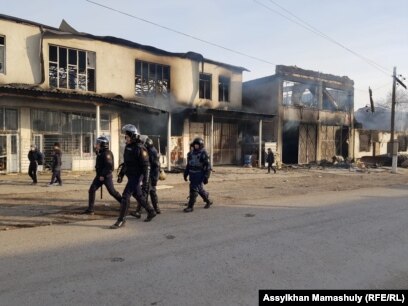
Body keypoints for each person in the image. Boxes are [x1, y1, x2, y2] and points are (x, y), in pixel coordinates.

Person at [112, 124, 156, 229]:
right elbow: (126, 163)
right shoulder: (128, 147)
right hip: (130, 176)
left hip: (137, 176)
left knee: (125, 196)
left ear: (132, 136)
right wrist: (121, 174)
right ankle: (151, 211)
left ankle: (121, 220)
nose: (125, 138)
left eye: (126, 136)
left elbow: (147, 167)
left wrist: (145, 182)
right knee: (138, 195)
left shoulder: (141, 149)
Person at [83, 136, 122, 215]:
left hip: (106, 176)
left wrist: (103, 175)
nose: (96, 145)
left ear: (103, 144)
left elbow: (109, 167)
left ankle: (124, 203)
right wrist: (96, 150)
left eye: (98, 143)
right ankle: (90, 209)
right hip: (99, 176)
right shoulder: (101, 152)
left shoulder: (107, 153)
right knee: (92, 190)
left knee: (112, 192)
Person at [132, 137, 161, 218]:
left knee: (144, 193)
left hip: (150, 176)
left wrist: (154, 179)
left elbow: (156, 167)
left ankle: (138, 211)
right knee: (152, 192)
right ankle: (157, 208)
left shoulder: (151, 152)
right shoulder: (152, 150)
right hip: (150, 175)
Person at [183, 137, 213, 212]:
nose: (196, 146)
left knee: (194, 190)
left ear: (201, 145)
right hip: (192, 174)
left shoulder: (204, 153)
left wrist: (206, 176)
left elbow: (208, 166)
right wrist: (185, 173)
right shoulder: (190, 153)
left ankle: (190, 206)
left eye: (197, 145)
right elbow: (188, 165)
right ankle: (208, 200)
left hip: (199, 174)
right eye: (195, 145)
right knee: (199, 189)